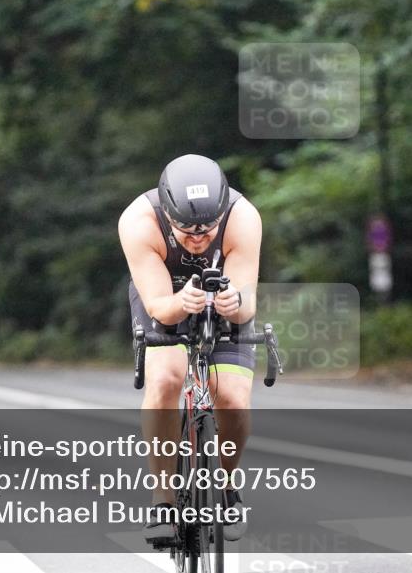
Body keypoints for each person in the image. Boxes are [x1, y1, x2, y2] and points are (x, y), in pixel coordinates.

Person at [118, 154, 262, 544]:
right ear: (167, 214)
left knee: (232, 397)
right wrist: (182, 302)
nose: (198, 238)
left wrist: (235, 301)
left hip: (222, 299)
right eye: (186, 230)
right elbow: (159, 307)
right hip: (165, 298)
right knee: (166, 380)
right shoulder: (138, 221)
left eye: (208, 228)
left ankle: (228, 485)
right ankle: (163, 499)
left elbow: (247, 300)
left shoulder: (242, 217)